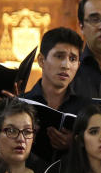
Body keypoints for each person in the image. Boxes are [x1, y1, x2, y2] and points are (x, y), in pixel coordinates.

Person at [21, 27, 89, 160]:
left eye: (73, 59)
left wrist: (76, 143)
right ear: (41, 60)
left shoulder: (86, 108)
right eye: (59, 56)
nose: (66, 65)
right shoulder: (22, 103)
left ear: (78, 65)